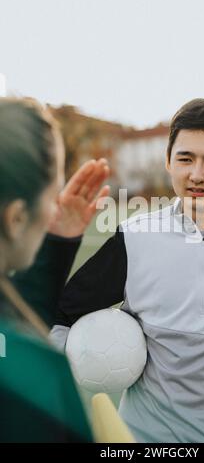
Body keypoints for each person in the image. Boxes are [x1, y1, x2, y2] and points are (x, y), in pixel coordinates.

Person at [51, 98, 204, 443]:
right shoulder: (135, 238)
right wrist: (79, 364)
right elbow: (55, 317)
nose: (196, 174)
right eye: (185, 158)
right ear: (168, 161)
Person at [0, 97, 110, 442]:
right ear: (16, 218)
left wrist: (56, 243)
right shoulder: (39, 376)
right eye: (52, 197)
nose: (54, 211)